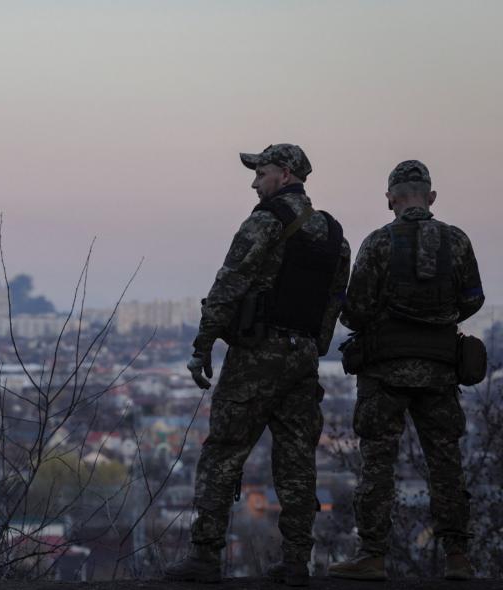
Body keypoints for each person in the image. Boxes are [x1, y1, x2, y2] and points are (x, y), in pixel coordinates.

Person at [165, 144, 350, 586]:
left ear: (284, 174)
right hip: (302, 358)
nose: (254, 182)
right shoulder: (333, 234)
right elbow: (334, 303)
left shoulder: (265, 220)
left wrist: (203, 343)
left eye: (261, 172)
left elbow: (230, 282)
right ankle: (295, 563)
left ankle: (206, 557)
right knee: (297, 461)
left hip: (256, 356)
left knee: (224, 452)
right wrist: (311, 348)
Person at [329, 160, 484, 582]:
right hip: (439, 371)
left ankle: (373, 554)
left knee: (378, 462)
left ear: (390, 199)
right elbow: (473, 300)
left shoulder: (379, 243)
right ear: (431, 197)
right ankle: (457, 555)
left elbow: (355, 311)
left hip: (385, 373)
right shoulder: (457, 242)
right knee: (445, 462)